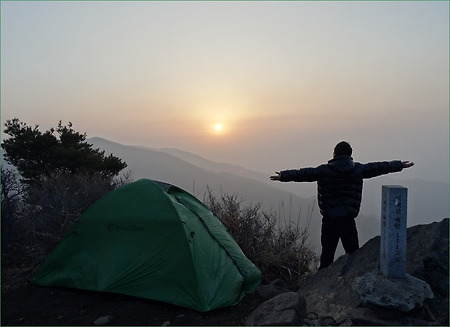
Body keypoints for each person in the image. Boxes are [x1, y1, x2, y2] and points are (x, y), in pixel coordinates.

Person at [270, 141, 414, 270]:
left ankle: (320, 288)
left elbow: (303, 174)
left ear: (334, 154)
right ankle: (354, 286)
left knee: (327, 257)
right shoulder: (358, 169)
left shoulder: (324, 170)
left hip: (329, 220)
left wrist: (283, 175)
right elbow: (379, 167)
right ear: (350, 155)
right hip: (348, 220)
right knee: (354, 256)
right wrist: (399, 165)